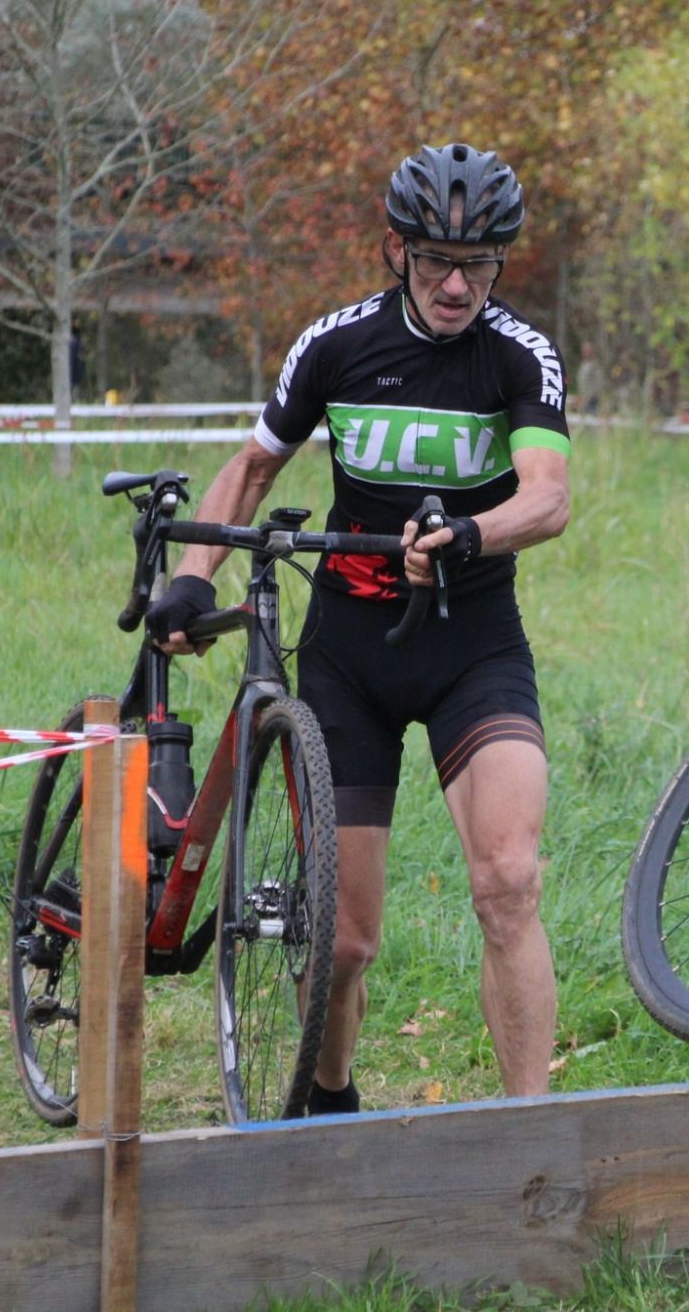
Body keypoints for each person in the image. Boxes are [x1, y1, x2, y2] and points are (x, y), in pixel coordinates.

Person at [146, 143, 571, 1114]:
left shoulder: (520, 354)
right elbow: (253, 470)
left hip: (474, 646)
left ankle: (529, 1130)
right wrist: (192, 578)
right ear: (395, 250)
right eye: (437, 262)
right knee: (343, 939)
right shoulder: (335, 345)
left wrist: (472, 532)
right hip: (348, 655)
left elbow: (547, 496)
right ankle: (330, 1096)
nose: (457, 286)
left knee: (509, 880)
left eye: (479, 265)